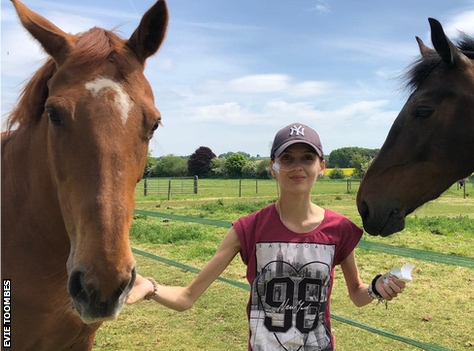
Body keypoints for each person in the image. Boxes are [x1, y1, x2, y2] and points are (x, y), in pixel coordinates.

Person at [126, 123, 408, 350]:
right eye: (287, 158)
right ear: (272, 166)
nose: (297, 166)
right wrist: (149, 287)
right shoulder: (247, 229)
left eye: (307, 158)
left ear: (321, 167)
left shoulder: (340, 229)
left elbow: (357, 295)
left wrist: (377, 287)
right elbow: (187, 297)